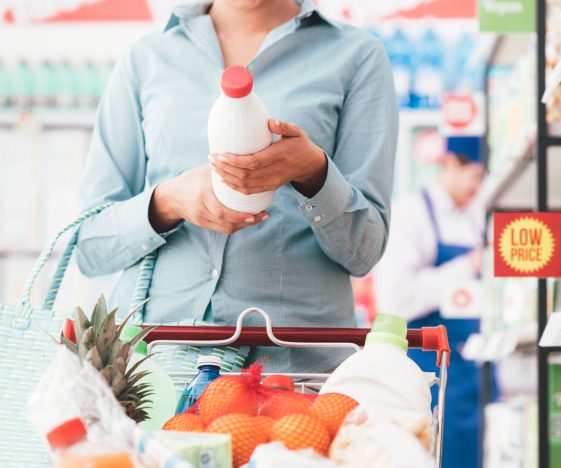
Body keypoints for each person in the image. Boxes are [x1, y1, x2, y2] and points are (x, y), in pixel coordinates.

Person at [75, 0, 398, 372]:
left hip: (293, 374)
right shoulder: (148, 58)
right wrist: (167, 203)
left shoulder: (356, 56)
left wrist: (313, 171)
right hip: (156, 370)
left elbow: (365, 252)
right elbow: (88, 246)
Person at [374, 136, 487, 468]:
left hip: (471, 372)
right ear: (450, 164)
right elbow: (397, 299)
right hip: (428, 372)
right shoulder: (412, 214)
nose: (478, 187)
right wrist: (467, 266)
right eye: (475, 177)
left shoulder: (474, 218)